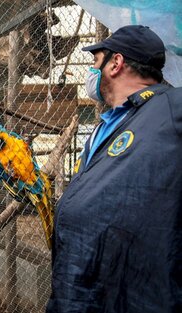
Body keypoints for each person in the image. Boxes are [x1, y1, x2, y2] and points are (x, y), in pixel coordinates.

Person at [47, 25, 182, 312]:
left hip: (132, 291)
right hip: (81, 285)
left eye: (96, 62)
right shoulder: (106, 126)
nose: (91, 72)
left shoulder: (169, 106)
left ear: (116, 63)